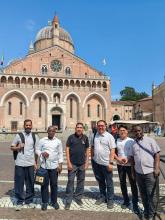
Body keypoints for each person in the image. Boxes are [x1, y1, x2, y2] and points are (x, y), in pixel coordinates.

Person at [129, 125, 160, 220]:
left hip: (150, 172)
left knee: (151, 194)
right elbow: (132, 159)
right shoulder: (133, 144)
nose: (137, 132)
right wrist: (133, 173)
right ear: (133, 133)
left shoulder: (150, 140)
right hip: (139, 173)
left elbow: (157, 154)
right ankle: (146, 211)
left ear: (142, 131)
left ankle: (151, 214)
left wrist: (157, 168)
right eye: (135, 131)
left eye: (139, 130)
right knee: (142, 194)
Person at [10, 119, 39, 211]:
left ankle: (29, 201)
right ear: (24, 126)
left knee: (30, 183)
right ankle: (19, 201)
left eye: (29, 125)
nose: (28, 127)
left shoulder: (35, 136)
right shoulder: (19, 135)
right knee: (19, 183)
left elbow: (36, 151)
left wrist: (35, 163)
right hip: (19, 163)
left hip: (30, 164)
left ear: (31, 126)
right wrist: (18, 147)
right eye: (26, 125)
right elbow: (11, 147)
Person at [36, 125, 63, 211]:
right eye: (49, 131)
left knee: (54, 185)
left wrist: (60, 165)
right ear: (47, 131)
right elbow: (37, 149)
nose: (51, 132)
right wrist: (42, 153)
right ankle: (44, 202)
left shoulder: (58, 141)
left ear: (55, 132)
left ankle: (54, 202)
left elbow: (60, 153)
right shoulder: (42, 140)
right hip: (44, 166)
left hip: (54, 167)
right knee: (44, 185)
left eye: (53, 131)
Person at [115, 125, 140, 214]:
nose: (122, 132)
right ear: (118, 132)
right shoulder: (116, 140)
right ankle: (126, 200)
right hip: (120, 165)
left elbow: (134, 153)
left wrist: (128, 159)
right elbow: (113, 152)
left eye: (124, 130)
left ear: (127, 131)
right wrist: (118, 159)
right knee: (122, 183)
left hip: (130, 165)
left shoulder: (131, 141)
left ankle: (135, 202)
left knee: (133, 183)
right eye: (120, 130)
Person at [91, 120, 116, 209]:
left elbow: (113, 150)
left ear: (105, 126)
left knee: (109, 182)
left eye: (102, 126)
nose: (100, 127)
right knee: (100, 181)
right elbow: (92, 146)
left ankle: (110, 199)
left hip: (106, 163)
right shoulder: (94, 135)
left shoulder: (109, 137)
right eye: (99, 126)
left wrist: (111, 163)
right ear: (97, 126)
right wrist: (92, 159)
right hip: (96, 163)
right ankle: (102, 196)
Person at [65, 122, 89, 210]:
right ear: (75, 128)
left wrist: (87, 162)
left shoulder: (85, 138)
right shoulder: (71, 137)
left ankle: (78, 198)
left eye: (81, 127)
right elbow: (67, 149)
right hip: (73, 163)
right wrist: (68, 162)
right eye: (78, 127)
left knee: (81, 181)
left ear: (83, 129)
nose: (79, 129)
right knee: (70, 181)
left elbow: (87, 150)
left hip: (82, 163)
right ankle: (68, 200)